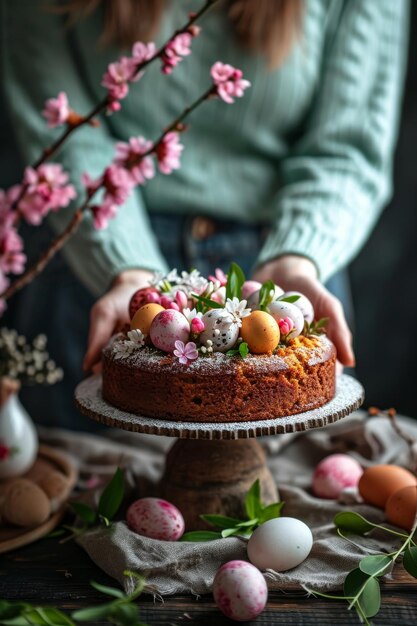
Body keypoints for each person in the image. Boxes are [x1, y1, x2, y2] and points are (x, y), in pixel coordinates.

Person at [1, 0, 409, 430]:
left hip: (285, 263)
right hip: (100, 273)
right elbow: (67, 133)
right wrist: (126, 269)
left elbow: (347, 147)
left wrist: (296, 256)